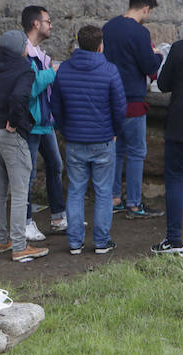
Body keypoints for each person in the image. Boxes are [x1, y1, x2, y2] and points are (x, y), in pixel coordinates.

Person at [51, 25, 126, 255]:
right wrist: (115, 131)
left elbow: (56, 106)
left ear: (78, 44)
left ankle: (75, 243)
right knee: (103, 192)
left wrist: (65, 129)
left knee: (75, 190)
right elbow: (120, 108)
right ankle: (102, 242)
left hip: (74, 141)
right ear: (100, 46)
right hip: (103, 140)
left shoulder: (64, 70)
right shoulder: (110, 70)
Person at [0, 30, 49, 261]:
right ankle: (20, 246)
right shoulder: (23, 70)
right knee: (20, 192)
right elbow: (20, 98)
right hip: (11, 134)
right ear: (20, 48)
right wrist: (17, 121)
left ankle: (2, 241)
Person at [103, 0, 165, 219]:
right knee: (137, 152)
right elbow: (149, 66)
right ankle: (134, 203)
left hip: (110, 99)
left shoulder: (109, 27)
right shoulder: (140, 32)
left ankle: (113, 198)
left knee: (117, 150)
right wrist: (157, 54)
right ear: (146, 8)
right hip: (133, 100)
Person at [22, 5, 67, 238]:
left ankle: (59, 216)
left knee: (56, 166)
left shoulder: (39, 53)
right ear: (36, 24)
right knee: (28, 175)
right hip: (31, 123)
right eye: (47, 21)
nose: (51, 25)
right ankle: (26, 222)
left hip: (45, 122)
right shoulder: (23, 53)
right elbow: (29, 88)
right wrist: (53, 71)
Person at [152, 21, 183, 254]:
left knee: (175, 180)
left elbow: (163, 83)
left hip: (180, 126)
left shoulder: (179, 49)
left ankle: (174, 240)